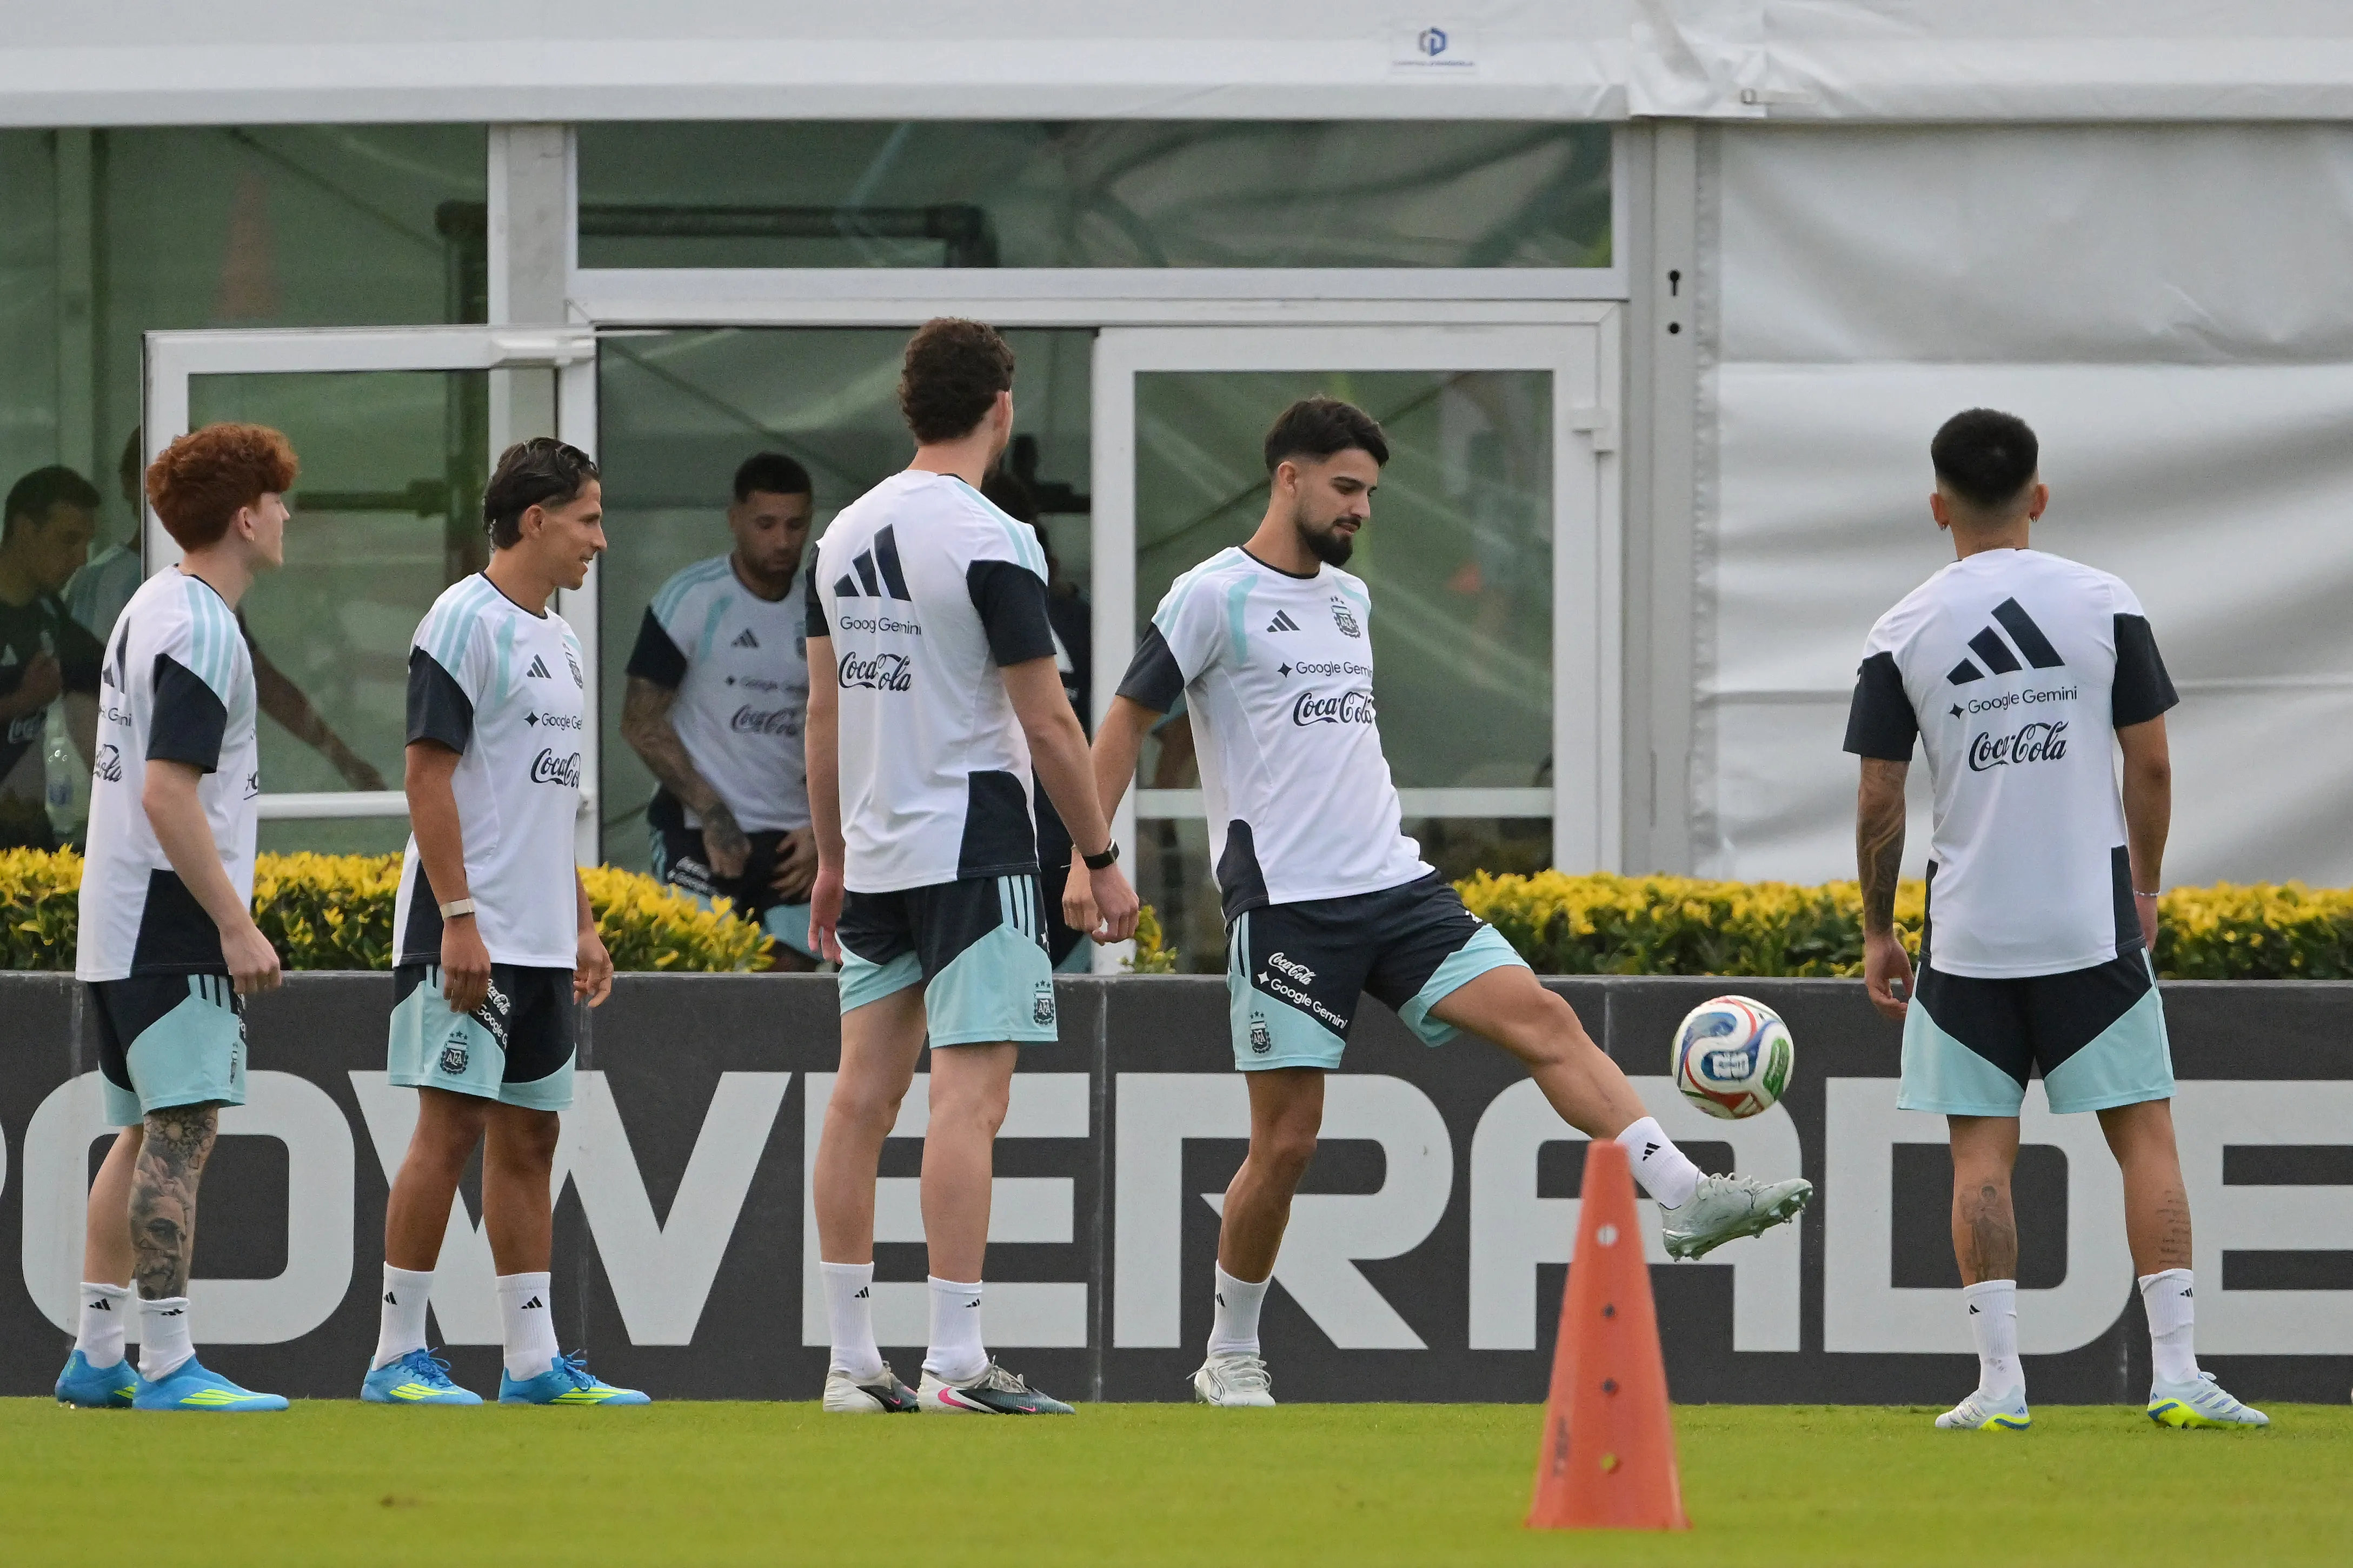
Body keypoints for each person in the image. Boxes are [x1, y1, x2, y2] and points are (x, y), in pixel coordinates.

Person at [1091, 396, 1812, 1407]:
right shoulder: (1210, 596)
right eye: (1346, 488)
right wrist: (1093, 858)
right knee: (1287, 1142)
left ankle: (1685, 1194)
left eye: (1371, 492)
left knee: (1545, 1019)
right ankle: (1231, 1351)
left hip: (1396, 886)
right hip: (1291, 909)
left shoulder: (1351, 600)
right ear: (1288, 479)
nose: (1362, 509)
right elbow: (1126, 721)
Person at [1846, 407, 2263, 1432]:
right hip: (2088, 923)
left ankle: (2000, 1386)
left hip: (1969, 937)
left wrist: (1877, 929)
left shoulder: (1901, 628)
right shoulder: (2104, 602)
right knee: (2145, 1137)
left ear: (1937, 506)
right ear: (2038, 496)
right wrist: (2146, 889)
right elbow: (2150, 763)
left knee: (1980, 1159)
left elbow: (1880, 796)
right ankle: (2177, 1373)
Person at [805, 318, 1139, 1416]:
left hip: (876, 849)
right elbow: (1045, 718)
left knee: (859, 1100)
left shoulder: (841, 534)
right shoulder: (994, 537)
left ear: (909, 406)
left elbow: (823, 712)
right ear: (1001, 408)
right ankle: (954, 1359)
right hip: (975, 842)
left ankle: (851, 1363)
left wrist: (832, 856)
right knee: (968, 1099)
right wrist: (1098, 854)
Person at [364, 437, 642, 1408]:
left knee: (531, 1140)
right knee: (447, 1131)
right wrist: (459, 920)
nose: (599, 540)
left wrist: (581, 923)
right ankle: (395, 1355)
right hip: (464, 934)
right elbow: (425, 778)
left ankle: (531, 1363)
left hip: (538, 940)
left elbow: (543, 801)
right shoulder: (461, 621)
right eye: (588, 519)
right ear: (535, 519)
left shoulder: (561, 643)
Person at [54, 424, 296, 1413]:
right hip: (170, 916)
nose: (287, 516)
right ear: (246, 519)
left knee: (141, 1129)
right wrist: (233, 923)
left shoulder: (152, 602)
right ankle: (166, 1360)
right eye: (277, 501)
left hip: (119, 914)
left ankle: (97, 1351)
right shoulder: (202, 627)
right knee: (184, 1131)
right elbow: (167, 791)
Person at [68, 430, 384, 792]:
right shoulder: (187, 616)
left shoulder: (190, 601)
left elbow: (265, 682)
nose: (285, 515)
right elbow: (85, 698)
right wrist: (113, 791)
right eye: (274, 502)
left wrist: (339, 755)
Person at [622, 452, 821, 970]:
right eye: (766, 524)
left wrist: (827, 832)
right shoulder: (692, 598)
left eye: (795, 525)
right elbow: (641, 722)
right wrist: (713, 813)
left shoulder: (825, 608)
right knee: (697, 978)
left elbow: (858, 730)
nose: (783, 541)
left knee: (790, 990)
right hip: (698, 827)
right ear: (735, 519)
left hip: (795, 841)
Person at [980, 470, 1093, 970]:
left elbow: (1052, 728)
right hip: (1059, 841)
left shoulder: (956, 612)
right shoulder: (1083, 621)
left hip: (988, 845)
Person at [0, 467, 103, 849]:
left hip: (28, 835)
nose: (81, 559)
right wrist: (23, 701)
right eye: (69, 540)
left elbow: (106, 672)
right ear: (26, 530)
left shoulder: (48, 612)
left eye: (86, 544)